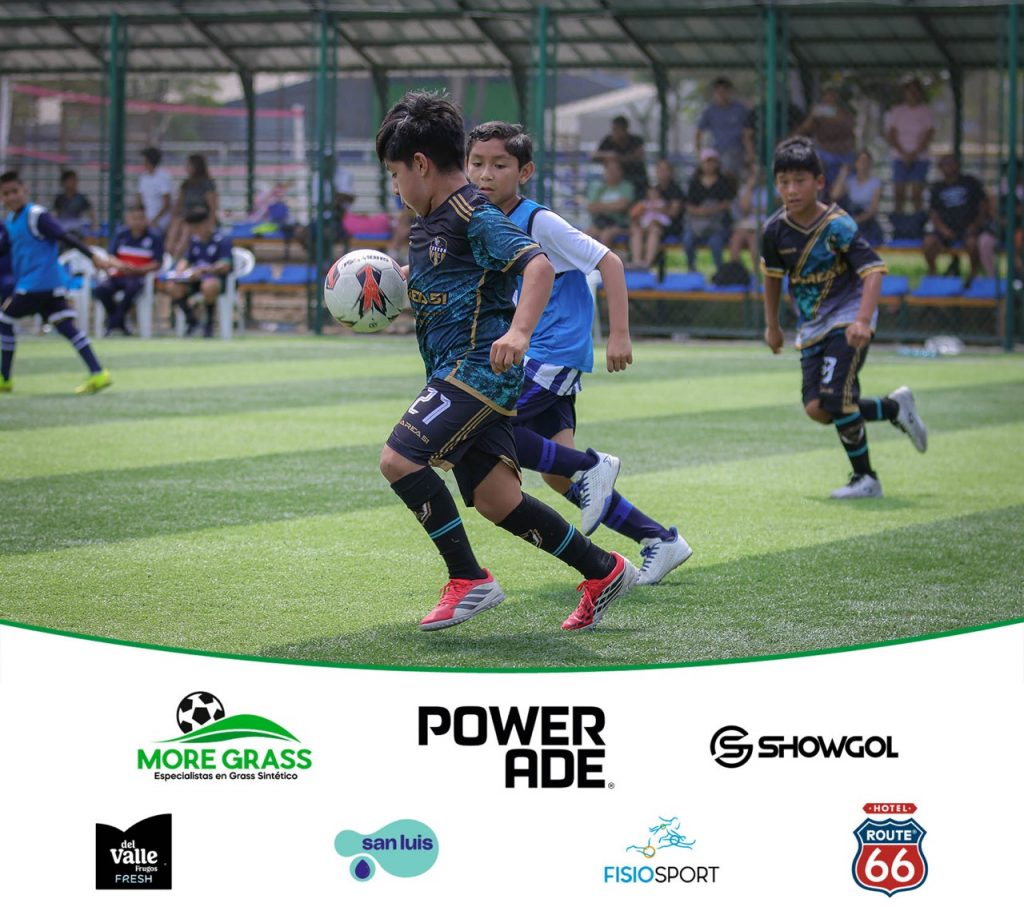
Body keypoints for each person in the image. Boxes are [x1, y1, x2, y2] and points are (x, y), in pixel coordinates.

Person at [375, 91, 637, 632]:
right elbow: (449, 278)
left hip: (477, 370)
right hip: (453, 371)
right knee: (498, 500)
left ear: (420, 164)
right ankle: (603, 570)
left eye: (395, 174)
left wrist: (519, 332)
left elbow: (537, 266)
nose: (395, 187)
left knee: (398, 460)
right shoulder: (428, 220)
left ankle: (468, 579)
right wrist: (393, 286)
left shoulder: (474, 213)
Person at [467, 120, 692, 586]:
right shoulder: (481, 219)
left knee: (491, 426)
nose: (486, 174)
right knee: (558, 476)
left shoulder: (539, 222)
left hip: (551, 352)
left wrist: (619, 334)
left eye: (499, 165)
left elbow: (609, 261)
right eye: (477, 163)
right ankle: (659, 540)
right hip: (535, 353)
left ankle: (593, 465)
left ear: (524, 171)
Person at [761, 138, 927, 500]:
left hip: (849, 317)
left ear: (820, 182)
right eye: (784, 182)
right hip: (812, 325)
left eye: (800, 180)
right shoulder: (773, 231)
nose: (792, 189)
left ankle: (866, 479)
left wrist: (862, 321)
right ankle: (894, 408)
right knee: (818, 409)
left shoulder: (838, 225)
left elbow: (874, 271)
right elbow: (772, 278)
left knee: (837, 398)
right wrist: (772, 326)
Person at [0, 171, 111, 394]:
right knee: (66, 326)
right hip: (47, 284)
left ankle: (5, 379)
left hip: (37, 283)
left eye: (15, 191)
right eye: (6, 193)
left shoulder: (36, 216)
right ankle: (98, 373)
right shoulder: (10, 220)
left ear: (25, 190)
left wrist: (92, 256)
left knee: (4, 320)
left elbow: (65, 237)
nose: (11, 197)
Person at [922, 155, 998, 281]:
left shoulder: (970, 182)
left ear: (958, 166)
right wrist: (943, 230)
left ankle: (973, 274)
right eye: (946, 164)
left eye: (952, 163)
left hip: (968, 228)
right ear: (941, 168)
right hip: (945, 229)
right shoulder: (936, 188)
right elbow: (933, 214)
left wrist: (975, 225)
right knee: (928, 242)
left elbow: (983, 206)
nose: (950, 167)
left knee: (973, 244)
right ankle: (932, 273)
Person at [93, 204, 164, 335]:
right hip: (119, 274)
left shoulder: (154, 237)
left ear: (146, 219)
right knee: (101, 290)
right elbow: (110, 257)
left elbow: (157, 263)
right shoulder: (121, 235)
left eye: (141, 218)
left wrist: (137, 269)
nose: (138, 222)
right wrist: (121, 265)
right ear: (128, 219)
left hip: (139, 277)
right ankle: (119, 322)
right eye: (134, 218)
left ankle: (113, 322)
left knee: (132, 289)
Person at [166, 205, 233, 338]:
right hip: (194, 280)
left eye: (197, 226)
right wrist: (180, 271)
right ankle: (192, 320)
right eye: (192, 227)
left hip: (216, 280)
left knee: (208, 286)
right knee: (173, 287)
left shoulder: (222, 240)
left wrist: (206, 270)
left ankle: (209, 324)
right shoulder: (194, 241)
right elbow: (186, 260)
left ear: (207, 223)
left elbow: (225, 265)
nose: (195, 230)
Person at [884, 77, 934, 215]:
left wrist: (914, 153)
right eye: (909, 91)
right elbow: (891, 134)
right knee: (899, 192)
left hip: (920, 158)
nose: (912, 94)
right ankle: (898, 221)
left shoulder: (926, 111)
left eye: (915, 91)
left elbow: (929, 134)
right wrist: (903, 153)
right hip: (899, 157)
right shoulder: (897, 111)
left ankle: (918, 221)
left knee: (916, 192)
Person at [682, 148, 735, 273]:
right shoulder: (694, 182)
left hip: (717, 225)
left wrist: (710, 210)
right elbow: (688, 205)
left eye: (712, 162)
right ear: (701, 164)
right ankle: (691, 269)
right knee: (688, 240)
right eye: (706, 162)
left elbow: (727, 203)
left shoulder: (723, 181)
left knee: (716, 243)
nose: (709, 165)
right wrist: (700, 212)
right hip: (697, 225)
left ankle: (720, 273)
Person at [797, 85, 856, 191]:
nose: (830, 99)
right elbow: (805, 129)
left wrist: (829, 113)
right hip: (824, 152)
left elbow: (849, 126)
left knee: (845, 182)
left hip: (844, 154)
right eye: (827, 96)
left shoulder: (845, 112)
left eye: (833, 96)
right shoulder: (818, 111)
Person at [629, 159, 685, 270]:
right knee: (636, 230)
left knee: (654, 229)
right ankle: (636, 261)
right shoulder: (652, 190)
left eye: (665, 170)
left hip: (669, 226)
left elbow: (673, 213)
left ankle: (647, 263)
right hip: (647, 224)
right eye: (660, 170)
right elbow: (637, 211)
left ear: (671, 172)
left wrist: (657, 209)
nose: (663, 173)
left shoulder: (675, 190)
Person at [696, 77, 749, 179]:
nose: (721, 95)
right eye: (718, 92)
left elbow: (746, 134)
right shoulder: (710, 110)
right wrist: (699, 153)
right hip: (716, 151)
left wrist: (750, 155)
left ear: (730, 92)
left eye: (724, 91)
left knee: (731, 174)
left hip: (736, 150)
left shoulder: (739, 109)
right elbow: (698, 132)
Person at [166, 154, 218, 257]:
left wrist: (210, 223)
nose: (186, 167)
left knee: (186, 230)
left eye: (189, 165)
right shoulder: (186, 184)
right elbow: (179, 204)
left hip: (199, 218)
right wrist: (173, 218)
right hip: (185, 216)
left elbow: (213, 206)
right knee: (175, 226)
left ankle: (178, 256)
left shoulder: (207, 184)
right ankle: (169, 253)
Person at [830, 150, 884, 247]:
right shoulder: (850, 181)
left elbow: (873, 210)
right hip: (851, 216)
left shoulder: (875, 183)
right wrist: (843, 173)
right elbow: (835, 195)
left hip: (867, 221)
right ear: (856, 163)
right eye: (861, 161)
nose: (864, 164)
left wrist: (857, 220)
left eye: (866, 161)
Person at [727, 164, 770, 271]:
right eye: (754, 174)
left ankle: (757, 273)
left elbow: (772, 208)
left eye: (760, 174)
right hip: (748, 224)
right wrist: (750, 187)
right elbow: (745, 209)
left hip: (765, 224)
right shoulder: (745, 190)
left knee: (753, 240)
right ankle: (738, 272)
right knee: (736, 239)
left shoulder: (772, 188)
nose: (757, 176)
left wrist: (755, 209)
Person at [595, 115, 649, 199]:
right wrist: (608, 155)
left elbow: (638, 155)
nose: (614, 132)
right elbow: (594, 155)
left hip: (636, 179)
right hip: (616, 182)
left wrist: (617, 158)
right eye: (613, 129)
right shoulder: (608, 141)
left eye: (617, 129)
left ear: (625, 129)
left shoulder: (636, 140)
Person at [586, 158, 635, 247]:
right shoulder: (599, 187)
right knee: (586, 236)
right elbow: (591, 207)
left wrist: (601, 206)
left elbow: (623, 205)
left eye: (615, 170)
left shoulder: (626, 186)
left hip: (619, 223)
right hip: (601, 222)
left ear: (621, 172)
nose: (612, 173)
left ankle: (606, 257)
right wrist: (613, 206)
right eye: (609, 170)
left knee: (606, 236)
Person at [136, 147, 173, 235]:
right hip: (145, 220)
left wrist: (155, 220)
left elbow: (167, 204)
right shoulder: (143, 177)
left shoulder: (163, 177)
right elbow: (139, 200)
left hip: (160, 222)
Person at [53, 170, 96, 235]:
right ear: (64, 183)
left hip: (77, 228)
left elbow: (91, 213)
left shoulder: (81, 198)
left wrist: (93, 227)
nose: (74, 182)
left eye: (75, 180)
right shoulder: (59, 198)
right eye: (71, 180)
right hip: (63, 228)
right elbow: (56, 215)